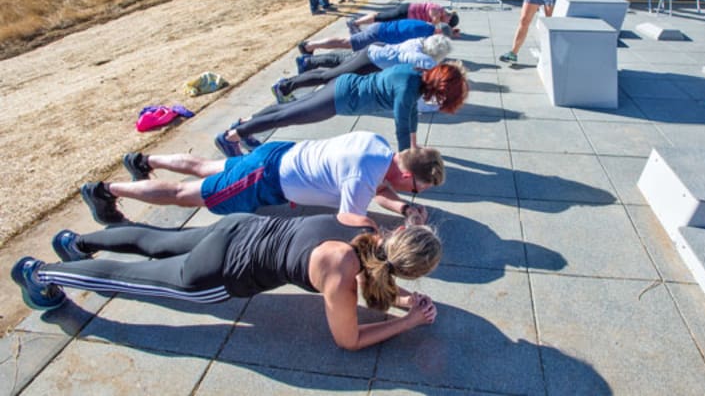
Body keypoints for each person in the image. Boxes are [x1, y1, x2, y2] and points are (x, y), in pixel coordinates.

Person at [11, 213, 441, 350]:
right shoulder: (342, 276)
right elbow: (348, 340)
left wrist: (402, 300)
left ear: (399, 232)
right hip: (219, 273)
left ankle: (74, 241)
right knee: (131, 278)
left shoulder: (361, 222)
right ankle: (38, 275)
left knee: (157, 241)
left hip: (237, 228)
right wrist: (408, 321)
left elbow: (374, 268)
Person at [80, 131, 442, 226]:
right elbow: (349, 221)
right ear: (407, 174)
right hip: (264, 178)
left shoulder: (378, 148)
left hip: (277, 154)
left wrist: (403, 207)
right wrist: (394, 237)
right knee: (183, 193)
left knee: (209, 167)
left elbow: (381, 188)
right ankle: (105, 191)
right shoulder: (363, 175)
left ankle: (143, 160)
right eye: (414, 188)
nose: (411, 191)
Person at [216, 62, 468, 156]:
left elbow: (411, 115)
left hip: (344, 86)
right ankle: (231, 137)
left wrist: (413, 146)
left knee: (291, 109)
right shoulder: (408, 89)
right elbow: (403, 125)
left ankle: (246, 123)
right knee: (289, 115)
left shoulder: (415, 76)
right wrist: (406, 158)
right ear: (441, 89)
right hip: (340, 99)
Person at [280, 34, 452, 103]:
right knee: (329, 77)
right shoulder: (424, 60)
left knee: (334, 70)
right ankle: (285, 87)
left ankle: (299, 73)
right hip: (372, 60)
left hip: (375, 51)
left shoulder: (420, 42)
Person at [298, 18, 455, 56]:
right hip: (378, 34)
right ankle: (309, 45)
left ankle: (311, 45)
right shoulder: (425, 32)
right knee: (346, 43)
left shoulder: (425, 26)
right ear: (439, 32)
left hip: (380, 30)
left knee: (347, 43)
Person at [349, 2, 459, 32]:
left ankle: (357, 22)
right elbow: (434, 27)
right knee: (381, 18)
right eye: (447, 23)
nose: (445, 24)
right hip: (406, 12)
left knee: (380, 16)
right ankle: (354, 23)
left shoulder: (440, 12)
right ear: (449, 18)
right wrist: (447, 30)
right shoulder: (437, 11)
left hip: (407, 13)